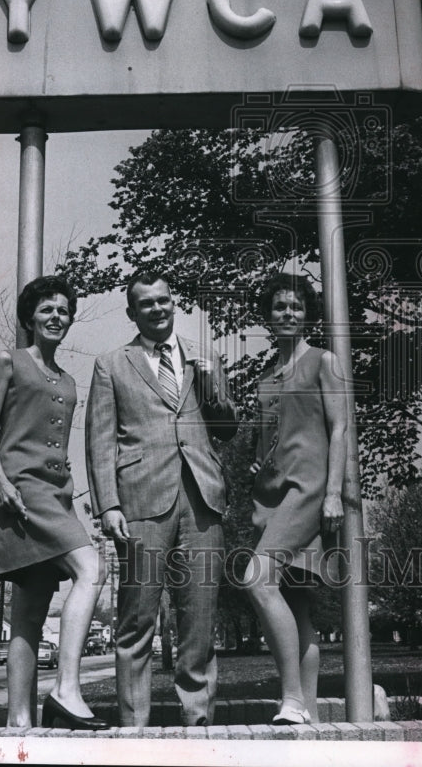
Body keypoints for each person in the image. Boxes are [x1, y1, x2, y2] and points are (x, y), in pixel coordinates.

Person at [85, 270, 238, 727]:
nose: (157, 308)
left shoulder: (202, 357)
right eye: (146, 303)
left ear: (175, 303)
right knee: (136, 621)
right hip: (140, 503)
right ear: (133, 312)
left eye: (164, 300)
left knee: (199, 622)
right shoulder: (112, 364)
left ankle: (199, 725)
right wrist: (108, 504)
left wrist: (213, 382)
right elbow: (100, 440)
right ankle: (134, 730)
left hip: (202, 501)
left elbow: (227, 429)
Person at [0, 275, 108, 730]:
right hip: (22, 492)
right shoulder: (8, 360)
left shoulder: (69, 381)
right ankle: (66, 690)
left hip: (58, 497)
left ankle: (19, 724)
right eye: (48, 309)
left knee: (30, 612)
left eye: (64, 311)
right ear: (30, 317)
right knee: (91, 569)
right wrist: (2, 484)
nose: (57, 317)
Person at [242, 272, 347, 726]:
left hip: (310, 492)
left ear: (307, 314)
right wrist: (257, 465)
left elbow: (340, 428)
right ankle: (305, 710)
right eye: (280, 307)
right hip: (272, 497)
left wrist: (334, 494)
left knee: (256, 579)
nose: (289, 313)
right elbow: (276, 440)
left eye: (297, 307)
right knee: (297, 603)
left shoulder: (324, 361)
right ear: (267, 315)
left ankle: (291, 700)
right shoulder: (266, 379)